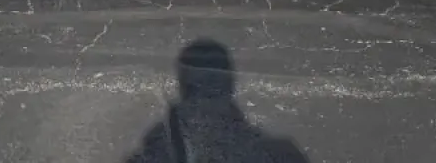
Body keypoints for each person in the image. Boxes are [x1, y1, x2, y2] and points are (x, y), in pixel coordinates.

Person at [123, 40, 309, 163]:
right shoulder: (277, 153)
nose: (204, 106)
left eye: (209, 86)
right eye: (197, 87)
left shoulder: (277, 154)